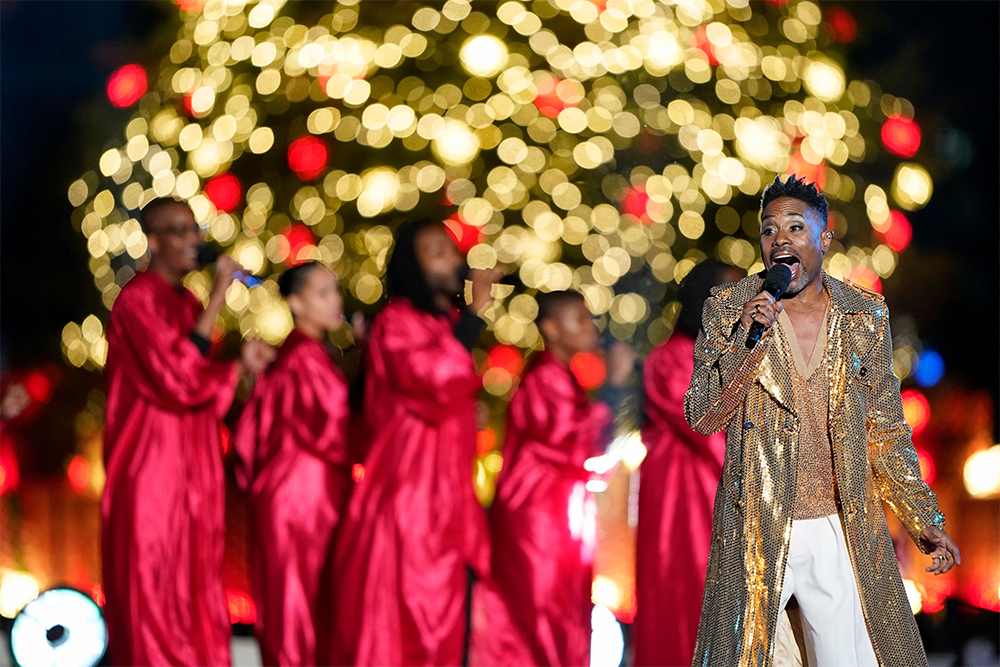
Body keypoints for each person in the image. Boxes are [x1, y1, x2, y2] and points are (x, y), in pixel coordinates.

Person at [685, 175, 960, 667]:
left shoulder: (864, 314)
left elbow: (886, 433)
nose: (781, 240)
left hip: (840, 524)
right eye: (770, 230)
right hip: (757, 527)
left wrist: (924, 519)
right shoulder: (729, 310)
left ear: (823, 240)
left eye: (795, 227)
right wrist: (746, 343)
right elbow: (704, 416)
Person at [102, 197, 273, 666]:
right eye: (178, 231)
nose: (193, 240)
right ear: (153, 241)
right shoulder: (136, 300)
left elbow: (200, 381)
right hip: (150, 473)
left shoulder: (187, 301)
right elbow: (177, 378)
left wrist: (238, 369)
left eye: (194, 229)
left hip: (191, 470)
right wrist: (220, 295)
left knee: (194, 586)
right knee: (153, 593)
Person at [328, 218, 502, 666]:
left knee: (452, 632)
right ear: (412, 264)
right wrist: (476, 318)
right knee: (412, 631)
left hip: (450, 508)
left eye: (451, 248)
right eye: (435, 251)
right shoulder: (396, 322)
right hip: (410, 506)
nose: (452, 259)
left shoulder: (446, 324)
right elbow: (433, 379)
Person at [487, 290, 634, 667]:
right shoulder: (543, 380)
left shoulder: (562, 378)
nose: (590, 327)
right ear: (551, 330)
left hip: (556, 520)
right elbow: (577, 445)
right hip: (536, 524)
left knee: (562, 616)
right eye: (579, 319)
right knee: (541, 620)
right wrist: (614, 385)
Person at [234, 262, 351, 667]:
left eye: (335, 290)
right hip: (303, 502)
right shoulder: (305, 357)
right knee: (298, 607)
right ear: (296, 303)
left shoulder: (295, 354)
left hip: (294, 498)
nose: (335, 300)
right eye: (322, 293)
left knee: (295, 605)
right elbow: (336, 430)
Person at [633, 260, 744, 667]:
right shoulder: (672, 359)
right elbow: (709, 430)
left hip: (719, 506)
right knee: (686, 607)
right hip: (683, 514)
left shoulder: (729, 362)